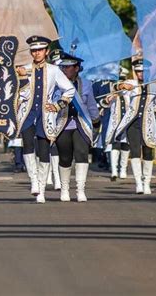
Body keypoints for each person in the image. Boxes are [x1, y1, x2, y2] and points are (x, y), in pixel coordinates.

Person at [16, 36, 75, 203]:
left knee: (44, 151)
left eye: (40, 50)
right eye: (34, 50)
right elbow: (18, 93)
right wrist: (21, 77)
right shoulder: (24, 69)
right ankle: (33, 180)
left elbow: (69, 90)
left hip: (46, 115)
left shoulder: (54, 71)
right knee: (27, 143)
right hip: (28, 114)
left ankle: (41, 189)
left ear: (46, 51)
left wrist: (58, 106)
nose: (37, 53)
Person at [52, 51, 100, 202]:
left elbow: (91, 104)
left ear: (77, 68)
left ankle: (80, 190)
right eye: (63, 67)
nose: (65, 70)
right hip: (63, 124)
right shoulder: (56, 84)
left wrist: (96, 120)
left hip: (81, 124)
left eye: (68, 67)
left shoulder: (86, 84)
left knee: (81, 154)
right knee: (65, 157)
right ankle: (64, 189)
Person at [115, 59, 156, 195]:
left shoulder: (154, 85)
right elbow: (118, 88)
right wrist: (122, 86)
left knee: (148, 151)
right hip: (132, 122)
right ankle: (138, 183)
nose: (141, 74)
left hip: (148, 122)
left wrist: (155, 109)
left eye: (143, 71)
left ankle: (147, 182)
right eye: (138, 71)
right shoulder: (131, 84)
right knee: (135, 151)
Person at [104, 66, 131, 182]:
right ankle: (114, 170)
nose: (121, 81)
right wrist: (110, 98)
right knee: (115, 143)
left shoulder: (131, 88)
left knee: (126, 144)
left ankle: (123, 169)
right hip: (115, 120)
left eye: (122, 79)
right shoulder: (112, 87)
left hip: (127, 119)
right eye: (119, 79)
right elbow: (105, 102)